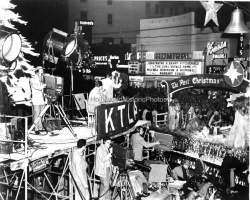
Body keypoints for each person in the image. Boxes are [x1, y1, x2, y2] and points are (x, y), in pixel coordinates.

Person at [30, 66, 46, 134]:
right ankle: (36, 128)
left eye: (42, 70)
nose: (42, 71)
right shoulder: (32, 79)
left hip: (42, 99)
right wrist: (43, 86)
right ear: (37, 71)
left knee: (42, 113)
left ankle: (40, 127)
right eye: (40, 70)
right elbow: (36, 87)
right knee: (37, 113)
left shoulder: (42, 78)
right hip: (36, 99)